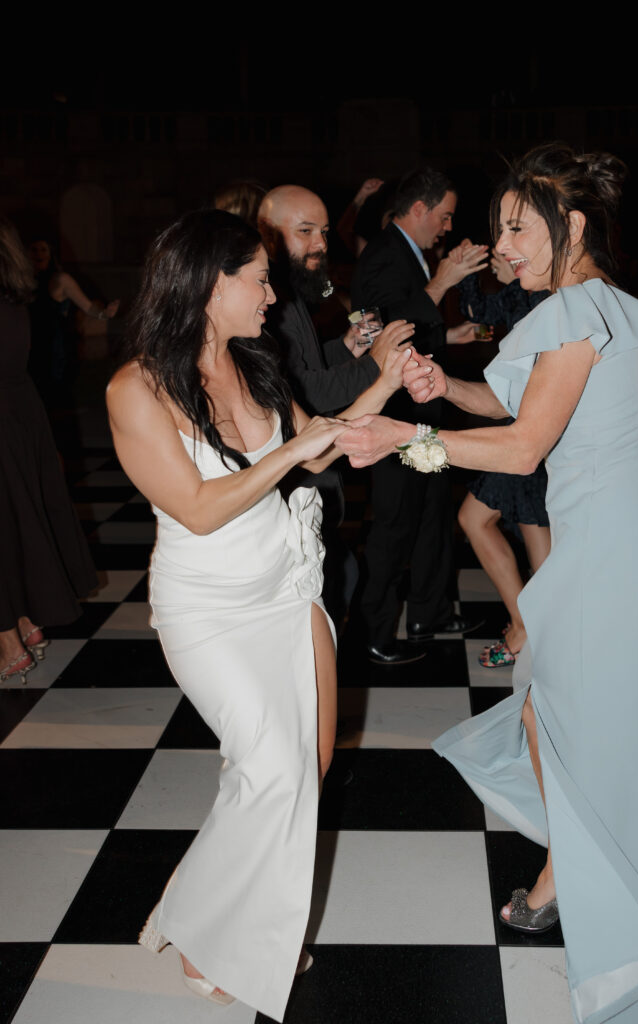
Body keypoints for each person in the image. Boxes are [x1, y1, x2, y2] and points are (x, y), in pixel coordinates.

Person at [336, 143, 638, 1023]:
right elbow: (520, 404)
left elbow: (524, 446)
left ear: (575, 225)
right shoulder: (582, 308)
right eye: (497, 231)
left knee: (582, 711)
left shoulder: (570, 314)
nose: (505, 246)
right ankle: (573, 864)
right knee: (548, 702)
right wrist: (444, 386)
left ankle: (572, 881)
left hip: (617, 539)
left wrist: (406, 439)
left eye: (519, 228)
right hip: (622, 527)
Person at [106, 209, 408, 1017]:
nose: (274, 296)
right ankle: (216, 940)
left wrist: (384, 381)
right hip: (208, 610)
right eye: (260, 278)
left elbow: (320, 442)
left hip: (287, 584)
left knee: (301, 769)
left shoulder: (256, 360)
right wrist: (291, 453)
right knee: (269, 771)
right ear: (210, 283)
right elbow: (200, 509)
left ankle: (194, 906)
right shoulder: (134, 388)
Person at [257, 184, 414, 626]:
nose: (321, 244)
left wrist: (348, 348)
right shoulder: (268, 301)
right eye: (305, 231)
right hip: (293, 477)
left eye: (323, 232)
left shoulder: (289, 290)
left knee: (339, 577)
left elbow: (306, 366)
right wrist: (376, 369)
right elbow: (303, 391)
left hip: (313, 471)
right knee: (331, 587)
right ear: (268, 234)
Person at [350, 167, 488, 665]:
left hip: (420, 410)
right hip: (391, 415)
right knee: (394, 520)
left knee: (431, 509)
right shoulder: (382, 256)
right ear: (418, 210)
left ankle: (429, 612)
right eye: (444, 216)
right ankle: (373, 630)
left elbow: (410, 332)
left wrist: (448, 337)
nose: (447, 227)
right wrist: (440, 284)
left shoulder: (404, 252)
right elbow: (377, 333)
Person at [0, 217, 98, 685]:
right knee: (19, 517)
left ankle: (6, 641)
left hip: (8, 410)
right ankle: (24, 623)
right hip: (19, 409)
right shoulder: (12, 288)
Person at [456, 248, 550, 666]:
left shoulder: (551, 295)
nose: (506, 248)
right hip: (520, 422)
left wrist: (513, 278)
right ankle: (529, 627)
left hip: (540, 427)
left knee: (535, 533)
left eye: (516, 235)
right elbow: (479, 310)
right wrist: (467, 274)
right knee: (518, 527)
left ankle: (534, 632)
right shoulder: (523, 292)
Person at [28, 238, 119, 411]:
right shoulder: (26, 281)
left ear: (51, 253)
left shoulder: (61, 279)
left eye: (43, 249)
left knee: (55, 395)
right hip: (33, 347)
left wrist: (105, 313)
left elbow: (87, 306)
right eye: (34, 249)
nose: (39, 254)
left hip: (56, 349)